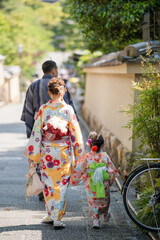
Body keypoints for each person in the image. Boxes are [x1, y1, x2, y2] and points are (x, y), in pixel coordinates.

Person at [23, 78, 84, 229]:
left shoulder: (44, 109)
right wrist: (79, 154)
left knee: (49, 185)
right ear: (63, 91)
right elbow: (76, 134)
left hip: (47, 153)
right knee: (61, 185)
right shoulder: (68, 110)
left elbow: (37, 133)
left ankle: (52, 215)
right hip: (63, 153)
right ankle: (55, 216)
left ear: (49, 92)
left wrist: (33, 157)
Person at [21, 60, 78, 200]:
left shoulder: (34, 86)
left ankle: (44, 187)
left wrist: (31, 132)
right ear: (53, 71)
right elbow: (71, 112)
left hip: (40, 131)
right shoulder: (61, 87)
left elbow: (28, 110)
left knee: (42, 160)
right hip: (61, 137)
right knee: (59, 167)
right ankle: (56, 192)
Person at [70, 131, 119, 229]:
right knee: (104, 200)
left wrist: (74, 179)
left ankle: (96, 220)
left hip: (91, 184)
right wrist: (110, 180)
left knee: (93, 201)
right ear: (101, 145)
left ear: (89, 145)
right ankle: (105, 213)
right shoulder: (105, 156)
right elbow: (112, 171)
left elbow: (78, 169)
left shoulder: (86, 158)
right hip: (103, 183)